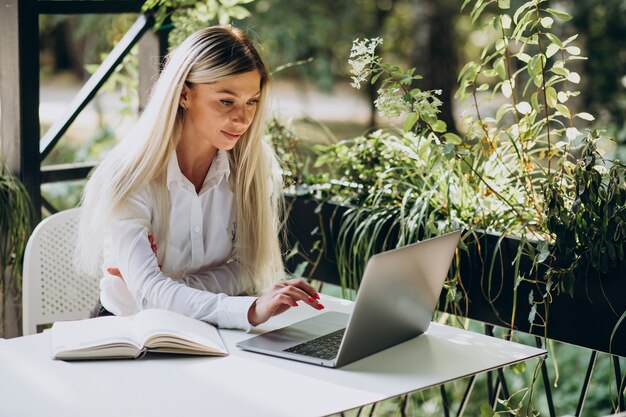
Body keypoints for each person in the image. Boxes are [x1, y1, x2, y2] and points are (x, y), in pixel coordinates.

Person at [76, 26, 324, 330]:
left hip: (212, 330)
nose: (243, 119)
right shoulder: (129, 174)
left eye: (252, 101)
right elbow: (148, 300)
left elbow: (246, 269)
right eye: (226, 101)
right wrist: (245, 308)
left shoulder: (251, 164)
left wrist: (169, 286)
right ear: (184, 94)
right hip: (127, 333)